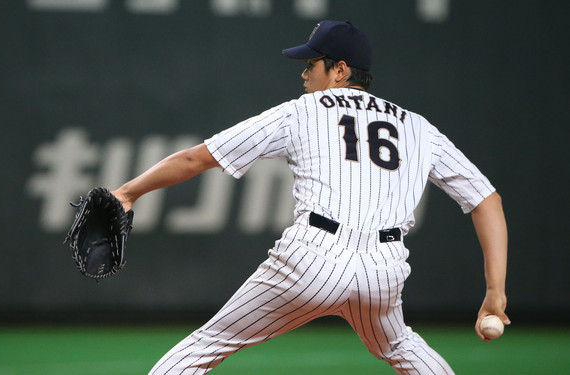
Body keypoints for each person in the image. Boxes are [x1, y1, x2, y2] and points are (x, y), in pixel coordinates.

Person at [112, 20, 510, 375]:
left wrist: (128, 192)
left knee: (207, 344)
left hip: (312, 257)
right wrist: (495, 293)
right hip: (384, 269)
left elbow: (194, 158)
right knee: (400, 345)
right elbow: (485, 200)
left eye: (311, 64)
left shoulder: (304, 110)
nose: (304, 74)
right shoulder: (419, 128)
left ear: (340, 70)